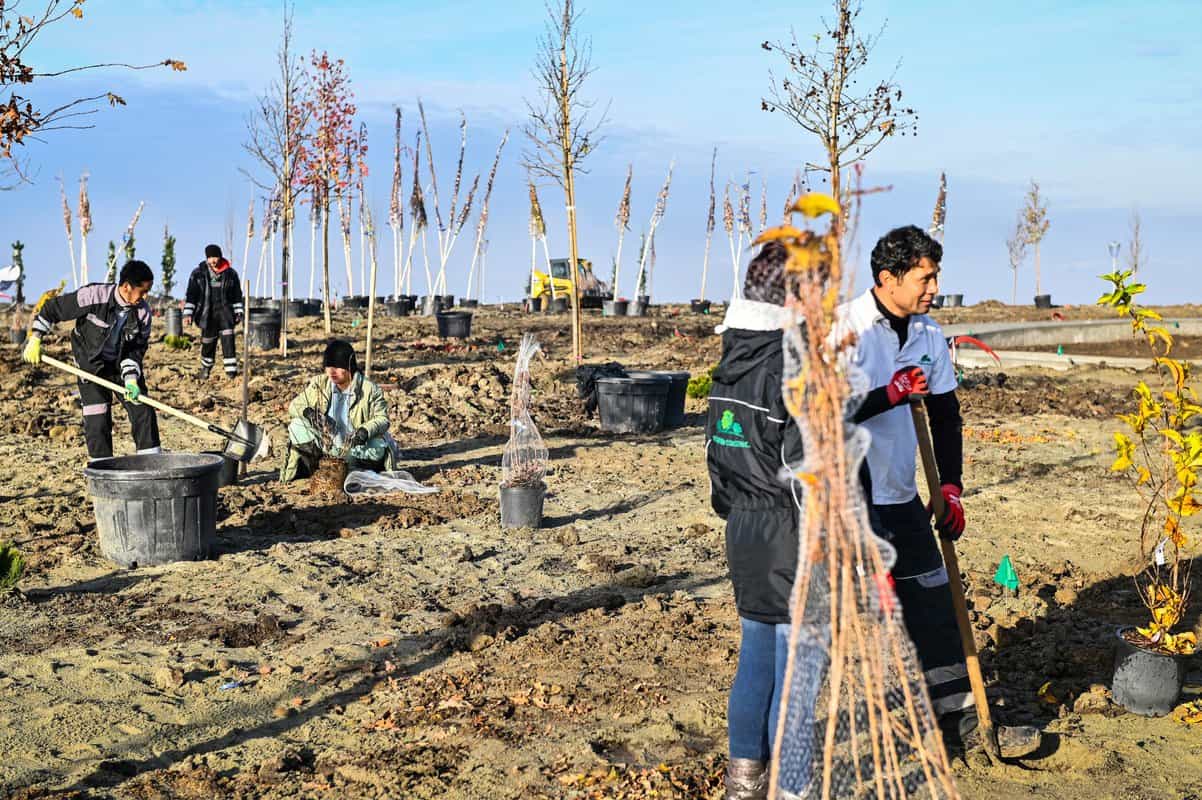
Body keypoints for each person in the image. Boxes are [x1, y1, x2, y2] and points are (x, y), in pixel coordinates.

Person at [707, 242, 873, 799]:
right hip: (796, 533)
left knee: (756, 656)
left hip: (746, 532)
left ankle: (744, 782)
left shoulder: (732, 362)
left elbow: (718, 455)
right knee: (799, 677)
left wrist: (738, 512)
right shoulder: (795, 365)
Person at [835, 225, 978, 749]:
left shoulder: (929, 335)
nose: (933, 286)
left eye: (935, 275)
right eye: (924, 276)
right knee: (867, 614)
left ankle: (957, 715)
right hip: (847, 499)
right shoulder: (845, 330)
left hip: (901, 495)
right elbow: (822, 414)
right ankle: (867, 727)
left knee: (933, 601)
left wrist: (952, 488)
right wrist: (887, 394)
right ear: (887, 278)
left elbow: (946, 416)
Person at [22, 260, 162, 461]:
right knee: (97, 416)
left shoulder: (143, 313)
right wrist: (35, 338)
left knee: (143, 410)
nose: (145, 297)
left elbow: (136, 349)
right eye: (143, 291)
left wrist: (131, 379)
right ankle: (102, 470)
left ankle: (152, 464)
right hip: (90, 364)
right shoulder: (94, 295)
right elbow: (53, 308)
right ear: (126, 287)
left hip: (120, 365)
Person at [279, 339, 398, 482]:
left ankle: (354, 471)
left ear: (349, 367)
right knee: (296, 426)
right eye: (328, 366)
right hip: (326, 447)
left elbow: (382, 419)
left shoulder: (369, 389)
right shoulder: (320, 384)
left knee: (377, 445)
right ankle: (320, 467)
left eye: (337, 366)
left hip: (355, 448)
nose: (331, 371)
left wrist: (364, 431)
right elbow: (295, 405)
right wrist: (309, 413)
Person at [183, 244, 244, 380]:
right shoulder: (198, 273)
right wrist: (188, 314)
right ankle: (206, 369)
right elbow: (191, 294)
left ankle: (231, 373)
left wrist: (238, 311)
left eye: (215, 257)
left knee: (228, 342)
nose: (213, 261)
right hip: (207, 314)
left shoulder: (231, 274)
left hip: (225, 314)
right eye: (210, 258)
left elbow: (237, 295)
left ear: (220, 256)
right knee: (208, 343)